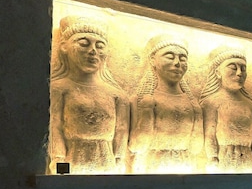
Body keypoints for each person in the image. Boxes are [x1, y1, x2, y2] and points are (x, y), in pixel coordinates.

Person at [48, 16, 129, 174]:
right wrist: (58, 158)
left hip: (107, 161)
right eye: (84, 44)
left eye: (100, 46)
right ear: (64, 47)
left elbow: (121, 129)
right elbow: (54, 125)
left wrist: (119, 158)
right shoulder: (59, 88)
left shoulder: (117, 95)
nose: (93, 51)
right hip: (73, 159)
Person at [128, 34, 203, 173]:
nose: (177, 63)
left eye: (182, 58)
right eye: (169, 56)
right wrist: (147, 112)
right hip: (150, 166)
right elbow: (137, 146)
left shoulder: (192, 104)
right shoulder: (140, 100)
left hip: (185, 166)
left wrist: (198, 117)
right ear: (152, 60)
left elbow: (196, 148)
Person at [199, 46, 252, 172]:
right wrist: (212, 157)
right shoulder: (211, 103)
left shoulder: (251, 106)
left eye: (243, 68)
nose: (239, 73)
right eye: (233, 68)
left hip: (248, 160)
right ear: (218, 72)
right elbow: (209, 134)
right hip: (223, 159)